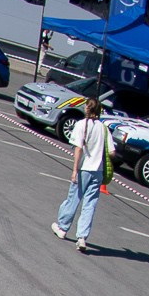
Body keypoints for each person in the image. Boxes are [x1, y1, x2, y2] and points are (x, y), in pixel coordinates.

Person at [51, 98, 110, 253]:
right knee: (90, 204)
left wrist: (75, 169)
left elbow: (78, 149)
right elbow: (112, 151)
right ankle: (82, 237)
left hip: (84, 168)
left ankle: (63, 227)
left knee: (73, 198)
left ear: (87, 109)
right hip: (98, 170)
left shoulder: (80, 125)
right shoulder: (103, 128)